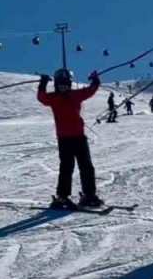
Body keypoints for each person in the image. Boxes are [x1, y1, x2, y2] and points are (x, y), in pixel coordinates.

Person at [37, 68, 103, 209]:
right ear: (56, 85)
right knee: (67, 167)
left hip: (79, 137)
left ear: (70, 84)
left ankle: (89, 195)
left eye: (66, 84)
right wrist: (42, 83)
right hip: (64, 139)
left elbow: (90, 90)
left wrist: (95, 80)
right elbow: (41, 97)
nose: (63, 87)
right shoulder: (53, 98)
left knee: (86, 166)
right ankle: (62, 197)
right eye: (60, 85)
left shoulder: (76, 95)